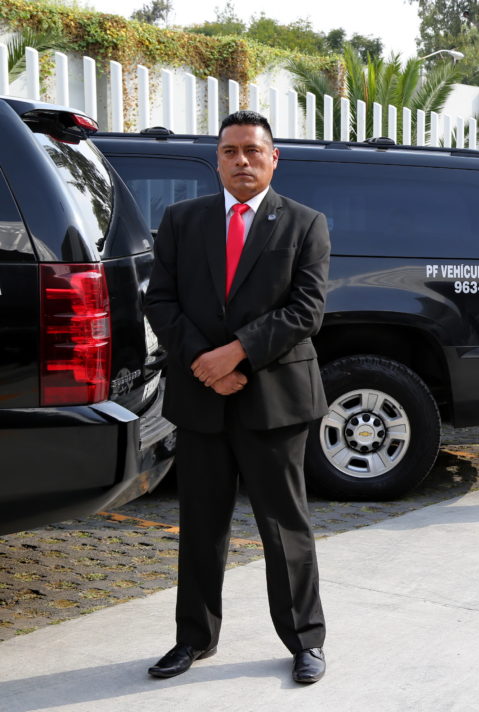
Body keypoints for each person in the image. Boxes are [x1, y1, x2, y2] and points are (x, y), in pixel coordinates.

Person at [144, 111, 330, 684]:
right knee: (201, 526)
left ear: (274, 158)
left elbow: (306, 310)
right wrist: (207, 365)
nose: (241, 160)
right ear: (217, 160)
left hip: (274, 400)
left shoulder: (305, 223)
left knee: (285, 527)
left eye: (252, 150)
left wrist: (236, 354)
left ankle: (304, 641)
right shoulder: (182, 220)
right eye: (230, 151)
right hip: (202, 399)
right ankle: (193, 639)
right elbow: (161, 301)